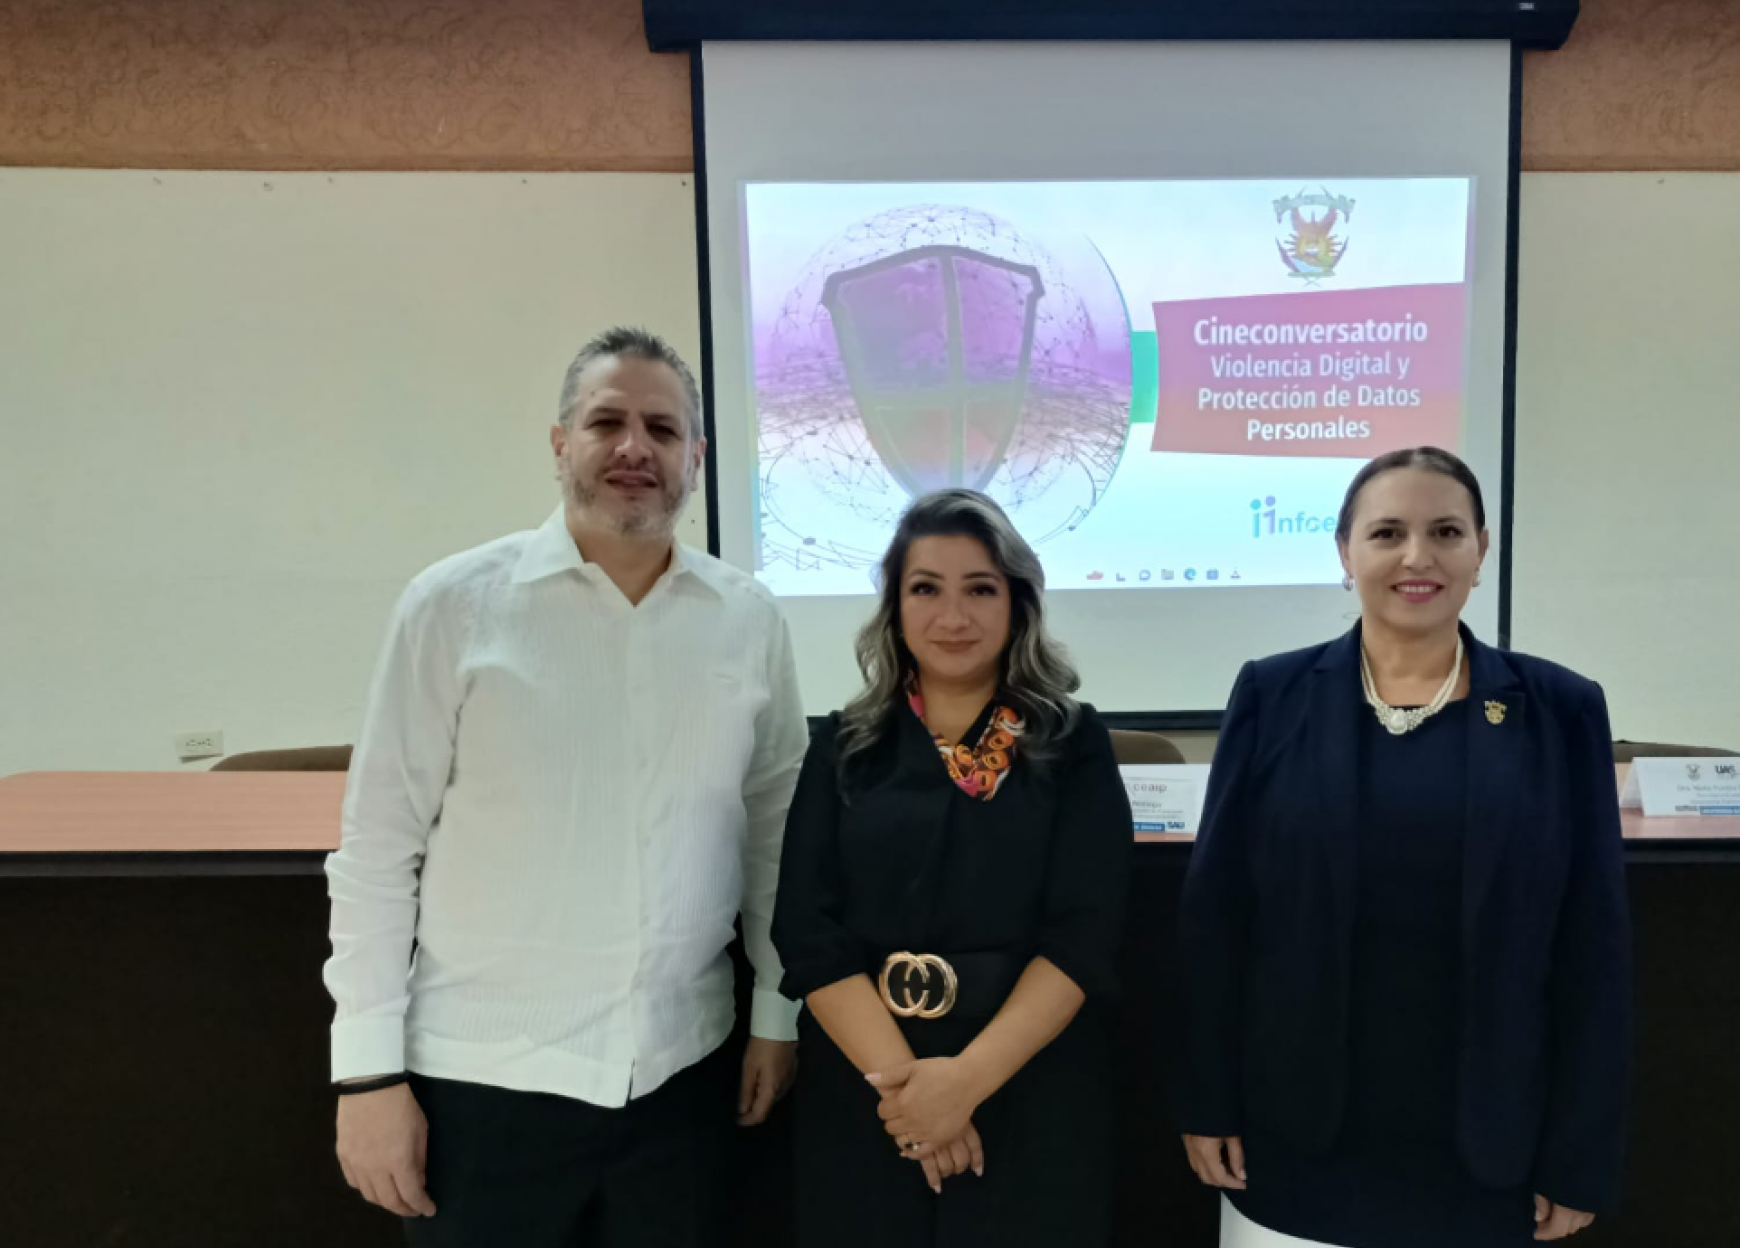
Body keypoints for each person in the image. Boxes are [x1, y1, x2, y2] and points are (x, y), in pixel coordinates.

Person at [323, 326, 809, 1246]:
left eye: (662, 429)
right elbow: (378, 849)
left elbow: (774, 836)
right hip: (482, 1084)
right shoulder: (453, 606)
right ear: (560, 444)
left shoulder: (747, 621)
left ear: (697, 458)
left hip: (682, 1078)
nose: (635, 448)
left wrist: (777, 1014)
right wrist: (368, 1074)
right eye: (606, 423)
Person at [1176, 446, 1632, 1247]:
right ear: (1345, 551)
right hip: (1297, 1137)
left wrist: (1578, 1153)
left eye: (1446, 532)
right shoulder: (1273, 695)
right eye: (1387, 533)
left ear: (1480, 551)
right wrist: (1205, 1098)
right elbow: (1217, 917)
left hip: (1491, 1148)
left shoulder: (1560, 708)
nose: (1417, 557)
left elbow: (1594, 944)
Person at [771, 488, 1134, 1248]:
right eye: (926, 589)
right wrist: (912, 1101)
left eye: (980, 589)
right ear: (895, 607)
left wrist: (964, 1084)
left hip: (1026, 1084)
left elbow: (1084, 936)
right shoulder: (844, 747)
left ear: (1017, 603)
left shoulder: (1071, 744)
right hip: (869, 1090)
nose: (953, 616)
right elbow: (808, 931)